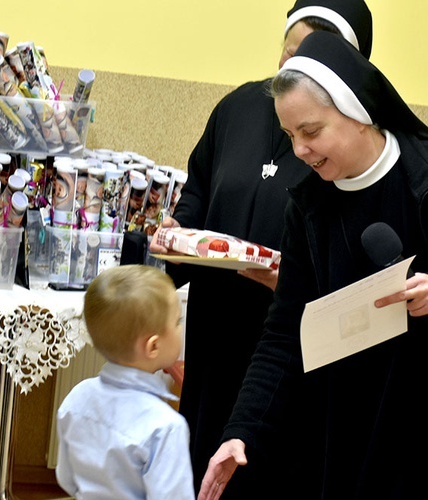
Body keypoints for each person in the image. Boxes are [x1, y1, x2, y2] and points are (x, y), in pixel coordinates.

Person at [199, 31, 428, 500]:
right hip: (359, 421)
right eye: (290, 137)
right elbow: (288, 331)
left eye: (311, 132)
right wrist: (241, 429)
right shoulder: (309, 206)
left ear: (358, 113)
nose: (300, 151)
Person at [149, 1, 373, 497]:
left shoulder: (351, 139)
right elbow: (200, 188)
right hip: (216, 324)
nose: (288, 69)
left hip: (288, 337)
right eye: (286, 52)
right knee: (204, 458)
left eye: (306, 58)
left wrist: (288, 278)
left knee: (268, 469)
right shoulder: (237, 107)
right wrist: (178, 232)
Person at [55, 264, 194, 500]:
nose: (180, 327)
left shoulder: (76, 398)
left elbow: (66, 478)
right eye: (177, 321)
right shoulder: (165, 426)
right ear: (153, 346)